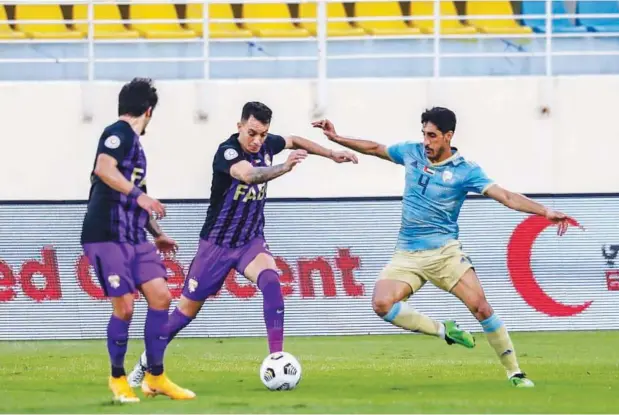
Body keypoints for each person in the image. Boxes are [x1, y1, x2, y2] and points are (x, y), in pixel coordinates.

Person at [311, 107, 571, 388]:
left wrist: (544, 211)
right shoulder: (412, 153)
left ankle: (515, 372)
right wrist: (336, 138)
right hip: (407, 254)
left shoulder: (465, 171)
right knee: (382, 303)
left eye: (432, 136)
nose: (426, 141)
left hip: (445, 254)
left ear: (448, 136)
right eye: (424, 134)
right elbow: (375, 148)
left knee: (481, 308)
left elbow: (506, 196)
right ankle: (443, 330)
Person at [128, 101, 358, 387]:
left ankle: (277, 358)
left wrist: (331, 153)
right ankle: (146, 361)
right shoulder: (227, 153)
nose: (258, 140)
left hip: (250, 241)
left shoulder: (266, 145)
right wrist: (283, 168)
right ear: (239, 127)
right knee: (185, 313)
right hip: (217, 245)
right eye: (252, 133)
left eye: (263, 134)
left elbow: (295, 139)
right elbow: (248, 175)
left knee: (272, 283)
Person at [81, 78, 195, 402]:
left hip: (134, 236)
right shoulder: (118, 133)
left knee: (161, 297)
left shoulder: (134, 146)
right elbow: (104, 168)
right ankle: (118, 380)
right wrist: (139, 196)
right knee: (126, 307)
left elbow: (137, 196)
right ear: (149, 111)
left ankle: (155, 377)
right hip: (106, 234)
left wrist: (157, 234)